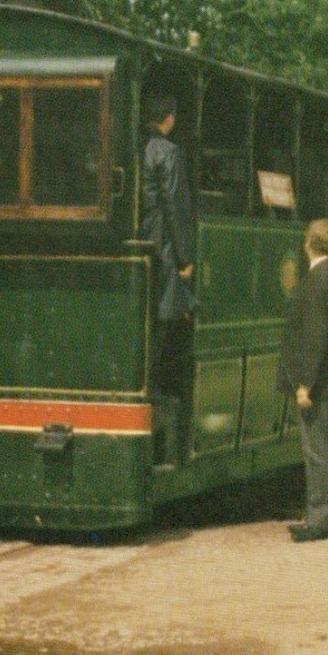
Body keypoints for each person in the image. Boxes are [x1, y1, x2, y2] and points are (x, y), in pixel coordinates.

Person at [277, 219, 328, 542]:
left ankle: (319, 520)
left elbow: (315, 336)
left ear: (309, 243)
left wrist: (305, 383)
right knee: (325, 448)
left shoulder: (316, 280)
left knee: (317, 451)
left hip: (317, 382)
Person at [141, 95, 197, 455]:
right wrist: (186, 256)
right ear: (171, 119)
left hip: (144, 231)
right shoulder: (167, 152)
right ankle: (153, 381)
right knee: (164, 313)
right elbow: (176, 205)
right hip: (161, 239)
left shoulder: (138, 148)